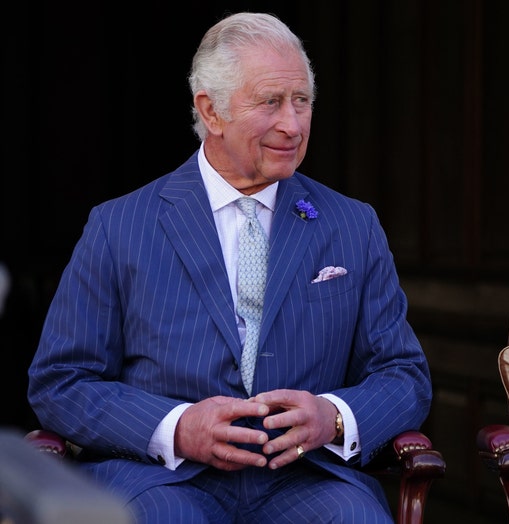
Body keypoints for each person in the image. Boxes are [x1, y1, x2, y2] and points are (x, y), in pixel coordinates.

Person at [27, 12, 432, 523]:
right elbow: (61, 381)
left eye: (302, 101)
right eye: (270, 102)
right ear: (211, 112)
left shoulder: (353, 225)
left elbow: (404, 376)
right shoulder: (119, 225)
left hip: (306, 480)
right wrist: (175, 427)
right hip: (161, 481)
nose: (293, 124)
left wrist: (331, 417)